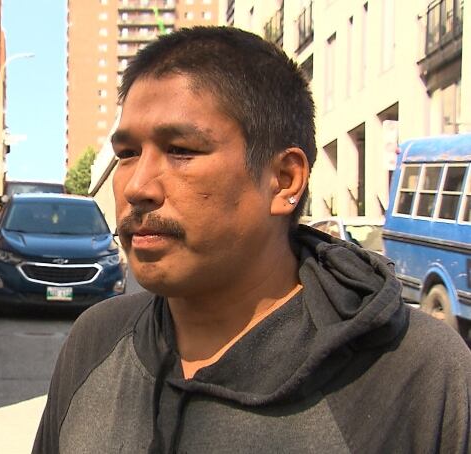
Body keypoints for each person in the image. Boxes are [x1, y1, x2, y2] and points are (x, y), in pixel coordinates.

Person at [33, 26, 470, 453]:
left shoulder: (418, 373)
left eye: (181, 150)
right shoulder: (96, 340)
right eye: (128, 154)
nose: (136, 186)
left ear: (283, 180)